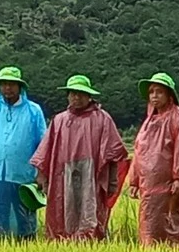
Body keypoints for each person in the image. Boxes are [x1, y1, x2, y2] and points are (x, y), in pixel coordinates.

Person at [32, 75, 128, 241]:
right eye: (72, 93)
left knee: (90, 209)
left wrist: (112, 182)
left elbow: (113, 155)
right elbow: (45, 152)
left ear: (89, 96)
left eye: (80, 93)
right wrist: (42, 178)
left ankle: (90, 241)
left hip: (91, 175)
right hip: (63, 174)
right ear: (68, 95)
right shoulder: (60, 120)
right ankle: (63, 241)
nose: (76, 97)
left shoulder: (102, 119)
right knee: (64, 209)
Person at [125, 72, 179, 246]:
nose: (154, 96)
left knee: (171, 224)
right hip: (148, 185)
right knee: (150, 224)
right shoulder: (148, 122)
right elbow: (139, 152)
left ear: (169, 94)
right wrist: (134, 181)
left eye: (159, 92)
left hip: (169, 186)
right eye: (151, 92)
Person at [0, 67, 47, 240]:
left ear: (20, 87)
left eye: (12, 84)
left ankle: (27, 248)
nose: (8, 88)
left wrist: (41, 172)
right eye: (4, 84)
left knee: (25, 216)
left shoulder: (33, 111)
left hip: (23, 174)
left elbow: (43, 144)